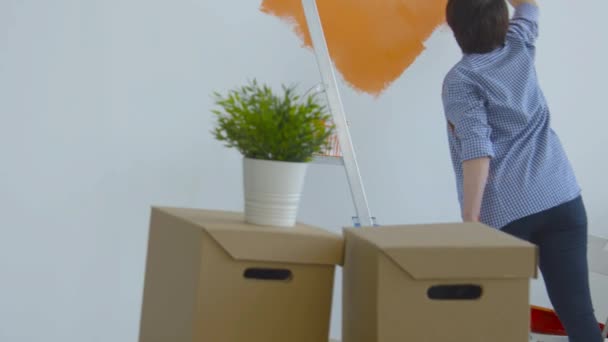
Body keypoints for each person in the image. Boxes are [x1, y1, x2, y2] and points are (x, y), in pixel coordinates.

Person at [442, 0, 603, 341]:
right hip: (561, 197)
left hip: (508, 215)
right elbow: (529, 5)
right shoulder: (519, 44)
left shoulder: (461, 79)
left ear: (454, 27)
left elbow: (477, 149)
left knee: (498, 326)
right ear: (502, 20)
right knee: (579, 319)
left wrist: (470, 221)